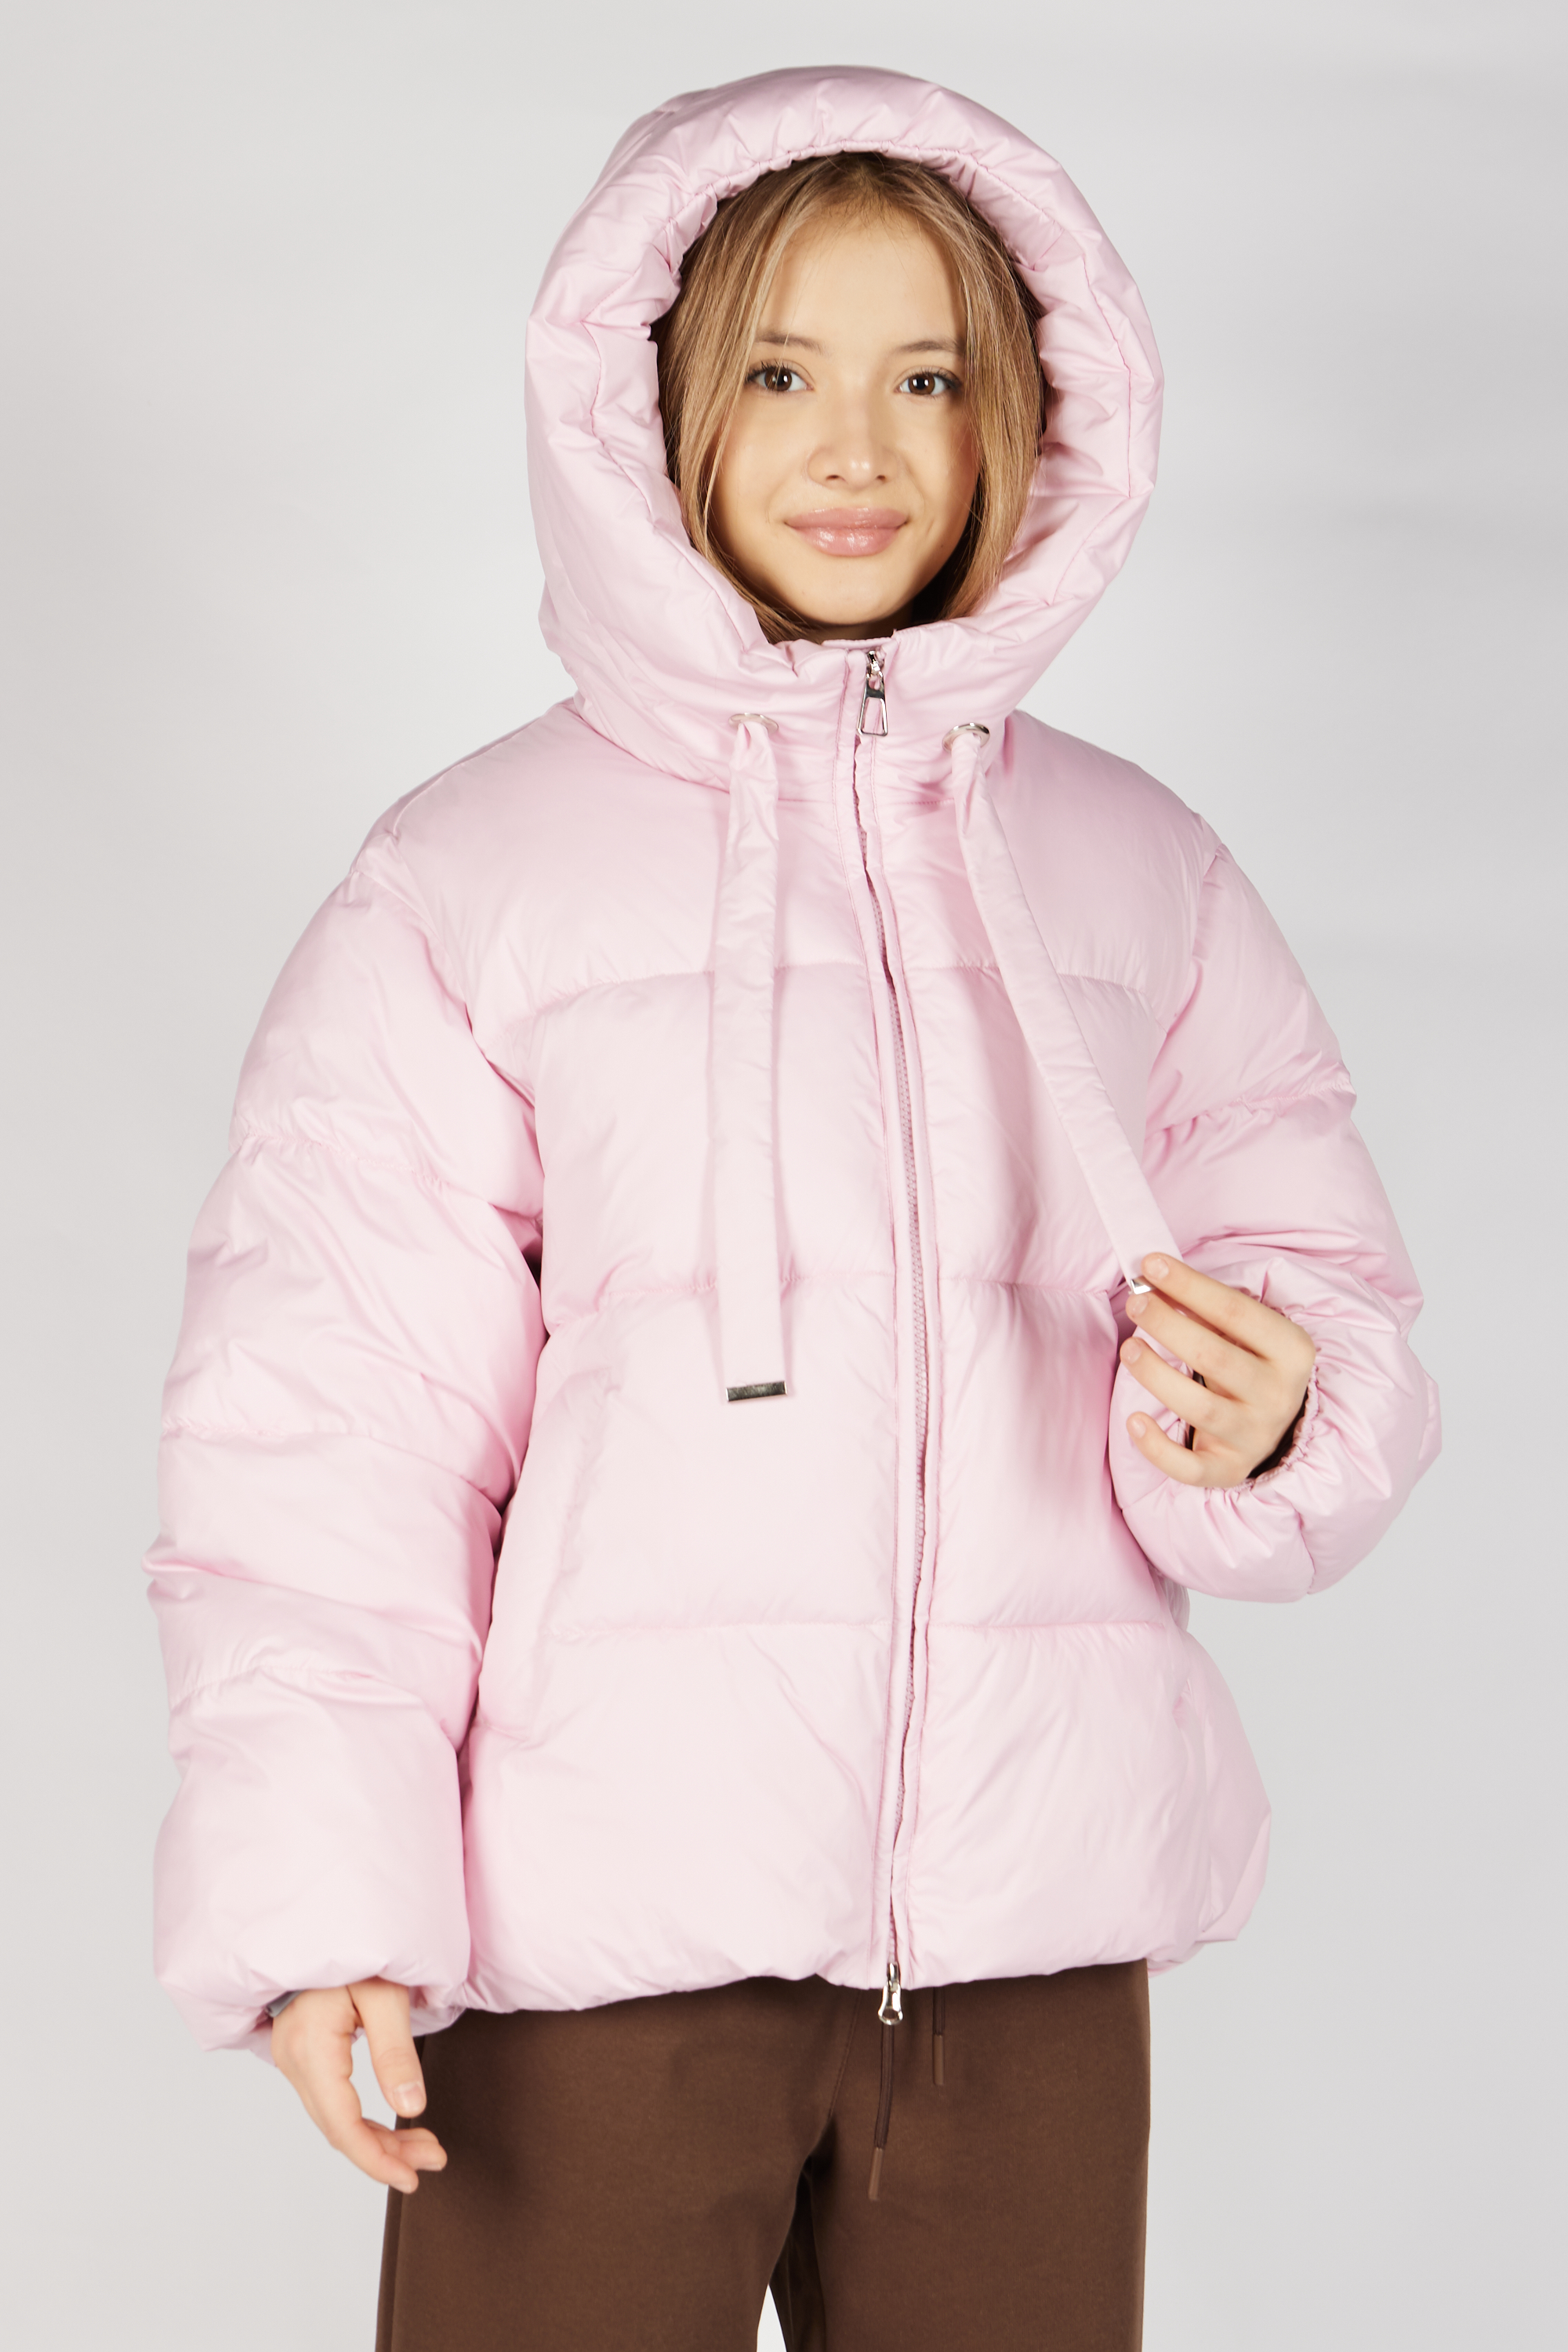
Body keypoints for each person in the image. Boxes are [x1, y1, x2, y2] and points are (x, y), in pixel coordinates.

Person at [147, 66, 1439, 2352]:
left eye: (927, 378)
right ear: (651, 408)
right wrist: (323, 1899)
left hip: (1027, 1954)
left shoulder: (1139, 869)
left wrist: (1279, 1420)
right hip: (599, 1942)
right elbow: (331, 1435)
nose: (858, 448)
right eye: (777, 372)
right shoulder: (471, 881)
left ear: (1025, 414)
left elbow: (1320, 1292)